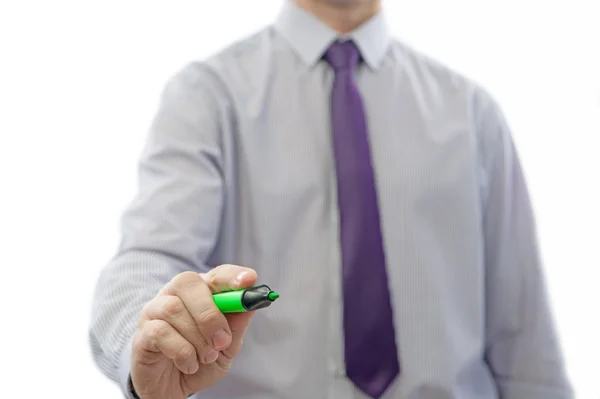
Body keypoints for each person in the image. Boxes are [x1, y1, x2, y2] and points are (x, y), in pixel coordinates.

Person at [89, 0, 574, 398]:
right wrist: (150, 336)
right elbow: (147, 258)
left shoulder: (472, 113)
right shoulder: (208, 96)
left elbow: (526, 346)